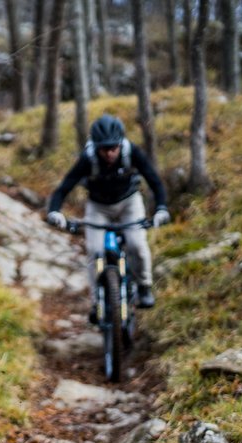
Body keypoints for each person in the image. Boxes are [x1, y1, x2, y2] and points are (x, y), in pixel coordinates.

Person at [46, 114, 171, 324]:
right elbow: (64, 188)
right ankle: (97, 303)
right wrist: (55, 211)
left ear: (120, 143)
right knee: (95, 252)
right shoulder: (88, 158)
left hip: (129, 203)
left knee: (137, 244)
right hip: (98, 207)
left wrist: (160, 209)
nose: (110, 153)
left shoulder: (133, 153)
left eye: (114, 147)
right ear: (96, 147)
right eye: (105, 149)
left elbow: (155, 182)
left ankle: (144, 287)